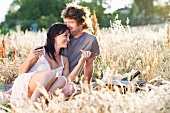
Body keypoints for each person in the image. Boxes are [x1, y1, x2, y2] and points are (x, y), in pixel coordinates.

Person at [3, 23, 91, 106]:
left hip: (44, 91)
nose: (68, 39)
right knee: (51, 73)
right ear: (55, 36)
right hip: (27, 84)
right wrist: (29, 58)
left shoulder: (64, 60)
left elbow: (68, 81)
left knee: (66, 83)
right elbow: (21, 74)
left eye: (69, 36)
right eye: (65, 35)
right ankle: (32, 106)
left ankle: (40, 103)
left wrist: (81, 62)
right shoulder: (40, 51)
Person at [60, 2, 100, 85]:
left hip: (71, 79)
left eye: (71, 22)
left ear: (81, 22)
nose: (67, 25)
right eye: (66, 22)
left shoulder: (91, 40)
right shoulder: (59, 35)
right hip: (54, 77)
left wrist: (86, 85)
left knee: (97, 85)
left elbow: (89, 65)